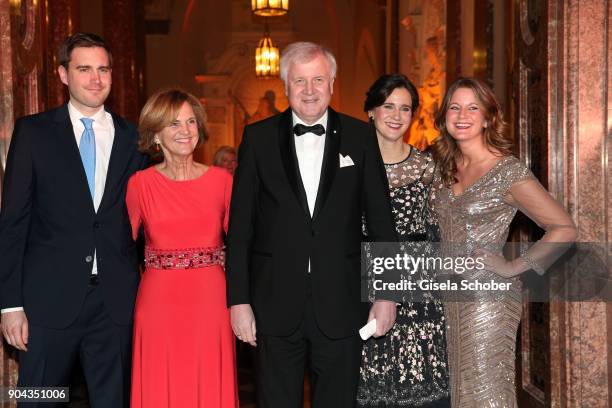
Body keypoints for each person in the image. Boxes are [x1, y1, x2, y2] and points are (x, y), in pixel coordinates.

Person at [226, 42, 398, 408]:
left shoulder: (360, 136)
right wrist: (238, 300)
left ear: (332, 83)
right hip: (272, 302)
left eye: (318, 79)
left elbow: (382, 223)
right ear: (286, 85)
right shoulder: (257, 139)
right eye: (300, 81)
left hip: (342, 300)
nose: (309, 90)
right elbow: (240, 229)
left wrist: (386, 295)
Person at [0, 32, 146, 407]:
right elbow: (13, 222)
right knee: (38, 399)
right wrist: (9, 305)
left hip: (116, 302)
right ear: (63, 74)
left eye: (103, 69)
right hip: (46, 302)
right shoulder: (33, 132)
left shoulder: (134, 137)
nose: (96, 79)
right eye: (84, 69)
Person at [429, 77, 577, 407]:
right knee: (457, 391)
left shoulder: (506, 171)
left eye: (472, 107)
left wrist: (513, 267)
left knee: (486, 391)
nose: (462, 115)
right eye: (454, 107)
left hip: (486, 298)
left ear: (487, 118)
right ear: (444, 116)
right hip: (445, 297)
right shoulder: (445, 168)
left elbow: (563, 228)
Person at [127, 89, 237, 408]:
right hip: (158, 303)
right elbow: (119, 248)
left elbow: (244, 246)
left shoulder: (222, 181)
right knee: (161, 388)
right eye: (174, 124)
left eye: (191, 121)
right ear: (156, 134)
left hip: (211, 301)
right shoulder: (139, 184)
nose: (185, 130)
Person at [357, 74, 450, 407]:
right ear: (371, 111)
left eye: (405, 109)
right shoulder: (349, 165)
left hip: (419, 289)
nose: (396, 116)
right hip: (362, 284)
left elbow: (442, 229)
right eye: (388, 106)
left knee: (420, 382)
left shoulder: (428, 168)